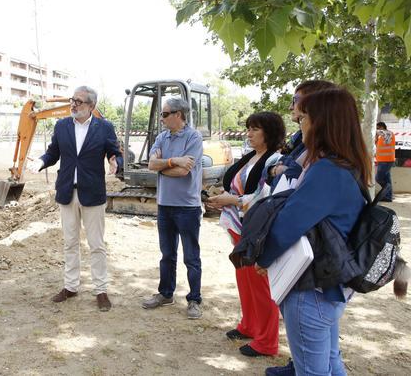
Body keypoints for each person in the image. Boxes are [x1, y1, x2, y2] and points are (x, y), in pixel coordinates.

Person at [257, 88, 369, 375]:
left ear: (322, 122)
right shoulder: (347, 164)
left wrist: (262, 259)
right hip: (329, 288)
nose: (300, 123)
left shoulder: (327, 170)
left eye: (304, 117)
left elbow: (290, 223)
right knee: (331, 361)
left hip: (311, 291)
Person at [31, 85, 121, 311]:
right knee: (70, 243)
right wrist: (41, 162)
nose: (73, 104)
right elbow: (53, 153)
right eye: (72, 100)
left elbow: (114, 151)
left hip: (92, 193)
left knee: (96, 245)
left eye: (79, 101)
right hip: (67, 192)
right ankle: (70, 286)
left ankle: (101, 290)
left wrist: (114, 160)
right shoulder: (62, 125)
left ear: (91, 105)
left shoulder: (104, 127)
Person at [208, 112, 285, 357]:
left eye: (255, 129)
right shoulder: (251, 156)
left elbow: (266, 197)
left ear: (269, 132)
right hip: (239, 227)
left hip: (256, 230)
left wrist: (232, 200)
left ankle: (267, 341)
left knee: (260, 285)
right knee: (245, 279)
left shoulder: (275, 160)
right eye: (248, 128)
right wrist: (224, 198)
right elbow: (237, 187)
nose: (249, 134)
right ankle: (250, 325)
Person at [141, 98, 205, 319]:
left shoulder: (194, 137)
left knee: (191, 257)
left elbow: (183, 172)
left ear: (179, 114)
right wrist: (173, 161)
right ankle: (166, 293)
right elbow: (151, 164)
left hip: (187, 207)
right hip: (165, 205)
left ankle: (194, 299)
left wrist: (163, 166)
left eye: (165, 114)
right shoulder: (161, 137)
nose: (162, 118)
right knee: (167, 254)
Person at [267, 80, 336, 186]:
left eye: (295, 100)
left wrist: (279, 171)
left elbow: (286, 182)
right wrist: (275, 170)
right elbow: (268, 175)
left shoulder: (328, 160)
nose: (290, 107)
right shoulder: (301, 138)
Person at [375, 122, 395, 202]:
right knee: (387, 179)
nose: (377, 130)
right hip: (383, 160)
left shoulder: (389, 133)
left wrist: (374, 131)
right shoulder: (381, 137)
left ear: (382, 127)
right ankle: (388, 196)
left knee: (378, 178)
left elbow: (380, 133)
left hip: (386, 160)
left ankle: (387, 192)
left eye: (378, 128)